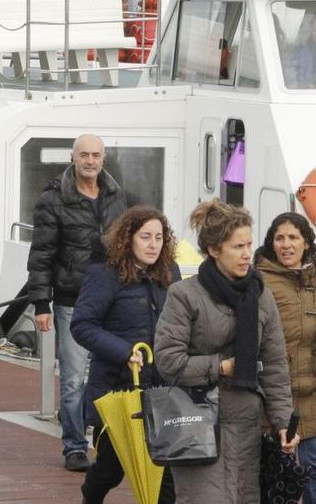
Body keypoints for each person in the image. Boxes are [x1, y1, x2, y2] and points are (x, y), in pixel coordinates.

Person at [154, 199, 297, 503]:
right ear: (214, 249)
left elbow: (275, 367)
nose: (247, 254)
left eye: (249, 245)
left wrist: (283, 422)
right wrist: (220, 367)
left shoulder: (261, 296)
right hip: (198, 423)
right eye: (237, 247)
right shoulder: (184, 294)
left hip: (247, 424)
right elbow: (168, 361)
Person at [27, 133, 129, 471]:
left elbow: (126, 245)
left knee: (108, 374)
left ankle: (95, 432)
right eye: (83, 154)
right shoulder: (53, 199)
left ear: (104, 158)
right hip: (72, 298)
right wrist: (41, 304)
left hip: (111, 298)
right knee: (72, 378)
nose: (89, 161)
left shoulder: (116, 196)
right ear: (73, 157)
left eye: (95, 155)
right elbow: (41, 254)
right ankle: (74, 446)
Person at [71, 206, 179, 504]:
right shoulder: (105, 274)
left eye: (159, 237)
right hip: (119, 387)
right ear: (128, 239)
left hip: (161, 388)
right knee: (111, 467)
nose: (153, 244)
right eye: (145, 237)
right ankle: (90, 496)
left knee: (165, 473)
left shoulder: (170, 273)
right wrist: (124, 351)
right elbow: (82, 325)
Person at [254, 212, 316, 504]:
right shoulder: (259, 279)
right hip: (272, 392)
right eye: (279, 238)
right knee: (272, 472)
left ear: (306, 242)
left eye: (293, 238)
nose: (286, 244)